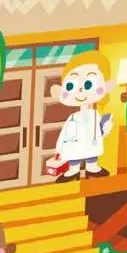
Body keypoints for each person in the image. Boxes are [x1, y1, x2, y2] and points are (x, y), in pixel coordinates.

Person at [47, 51, 113, 180]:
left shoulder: (95, 115)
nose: (81, 90)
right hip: (74, 147)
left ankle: (92, 167)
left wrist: (106, 127)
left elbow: (99, 131)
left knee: (91, 154)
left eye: (88, 84)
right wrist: (58, 149)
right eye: (71, 86)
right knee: (74, 157)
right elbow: (64, 134)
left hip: (91, 145)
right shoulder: (73, 117)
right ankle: (73, 170)